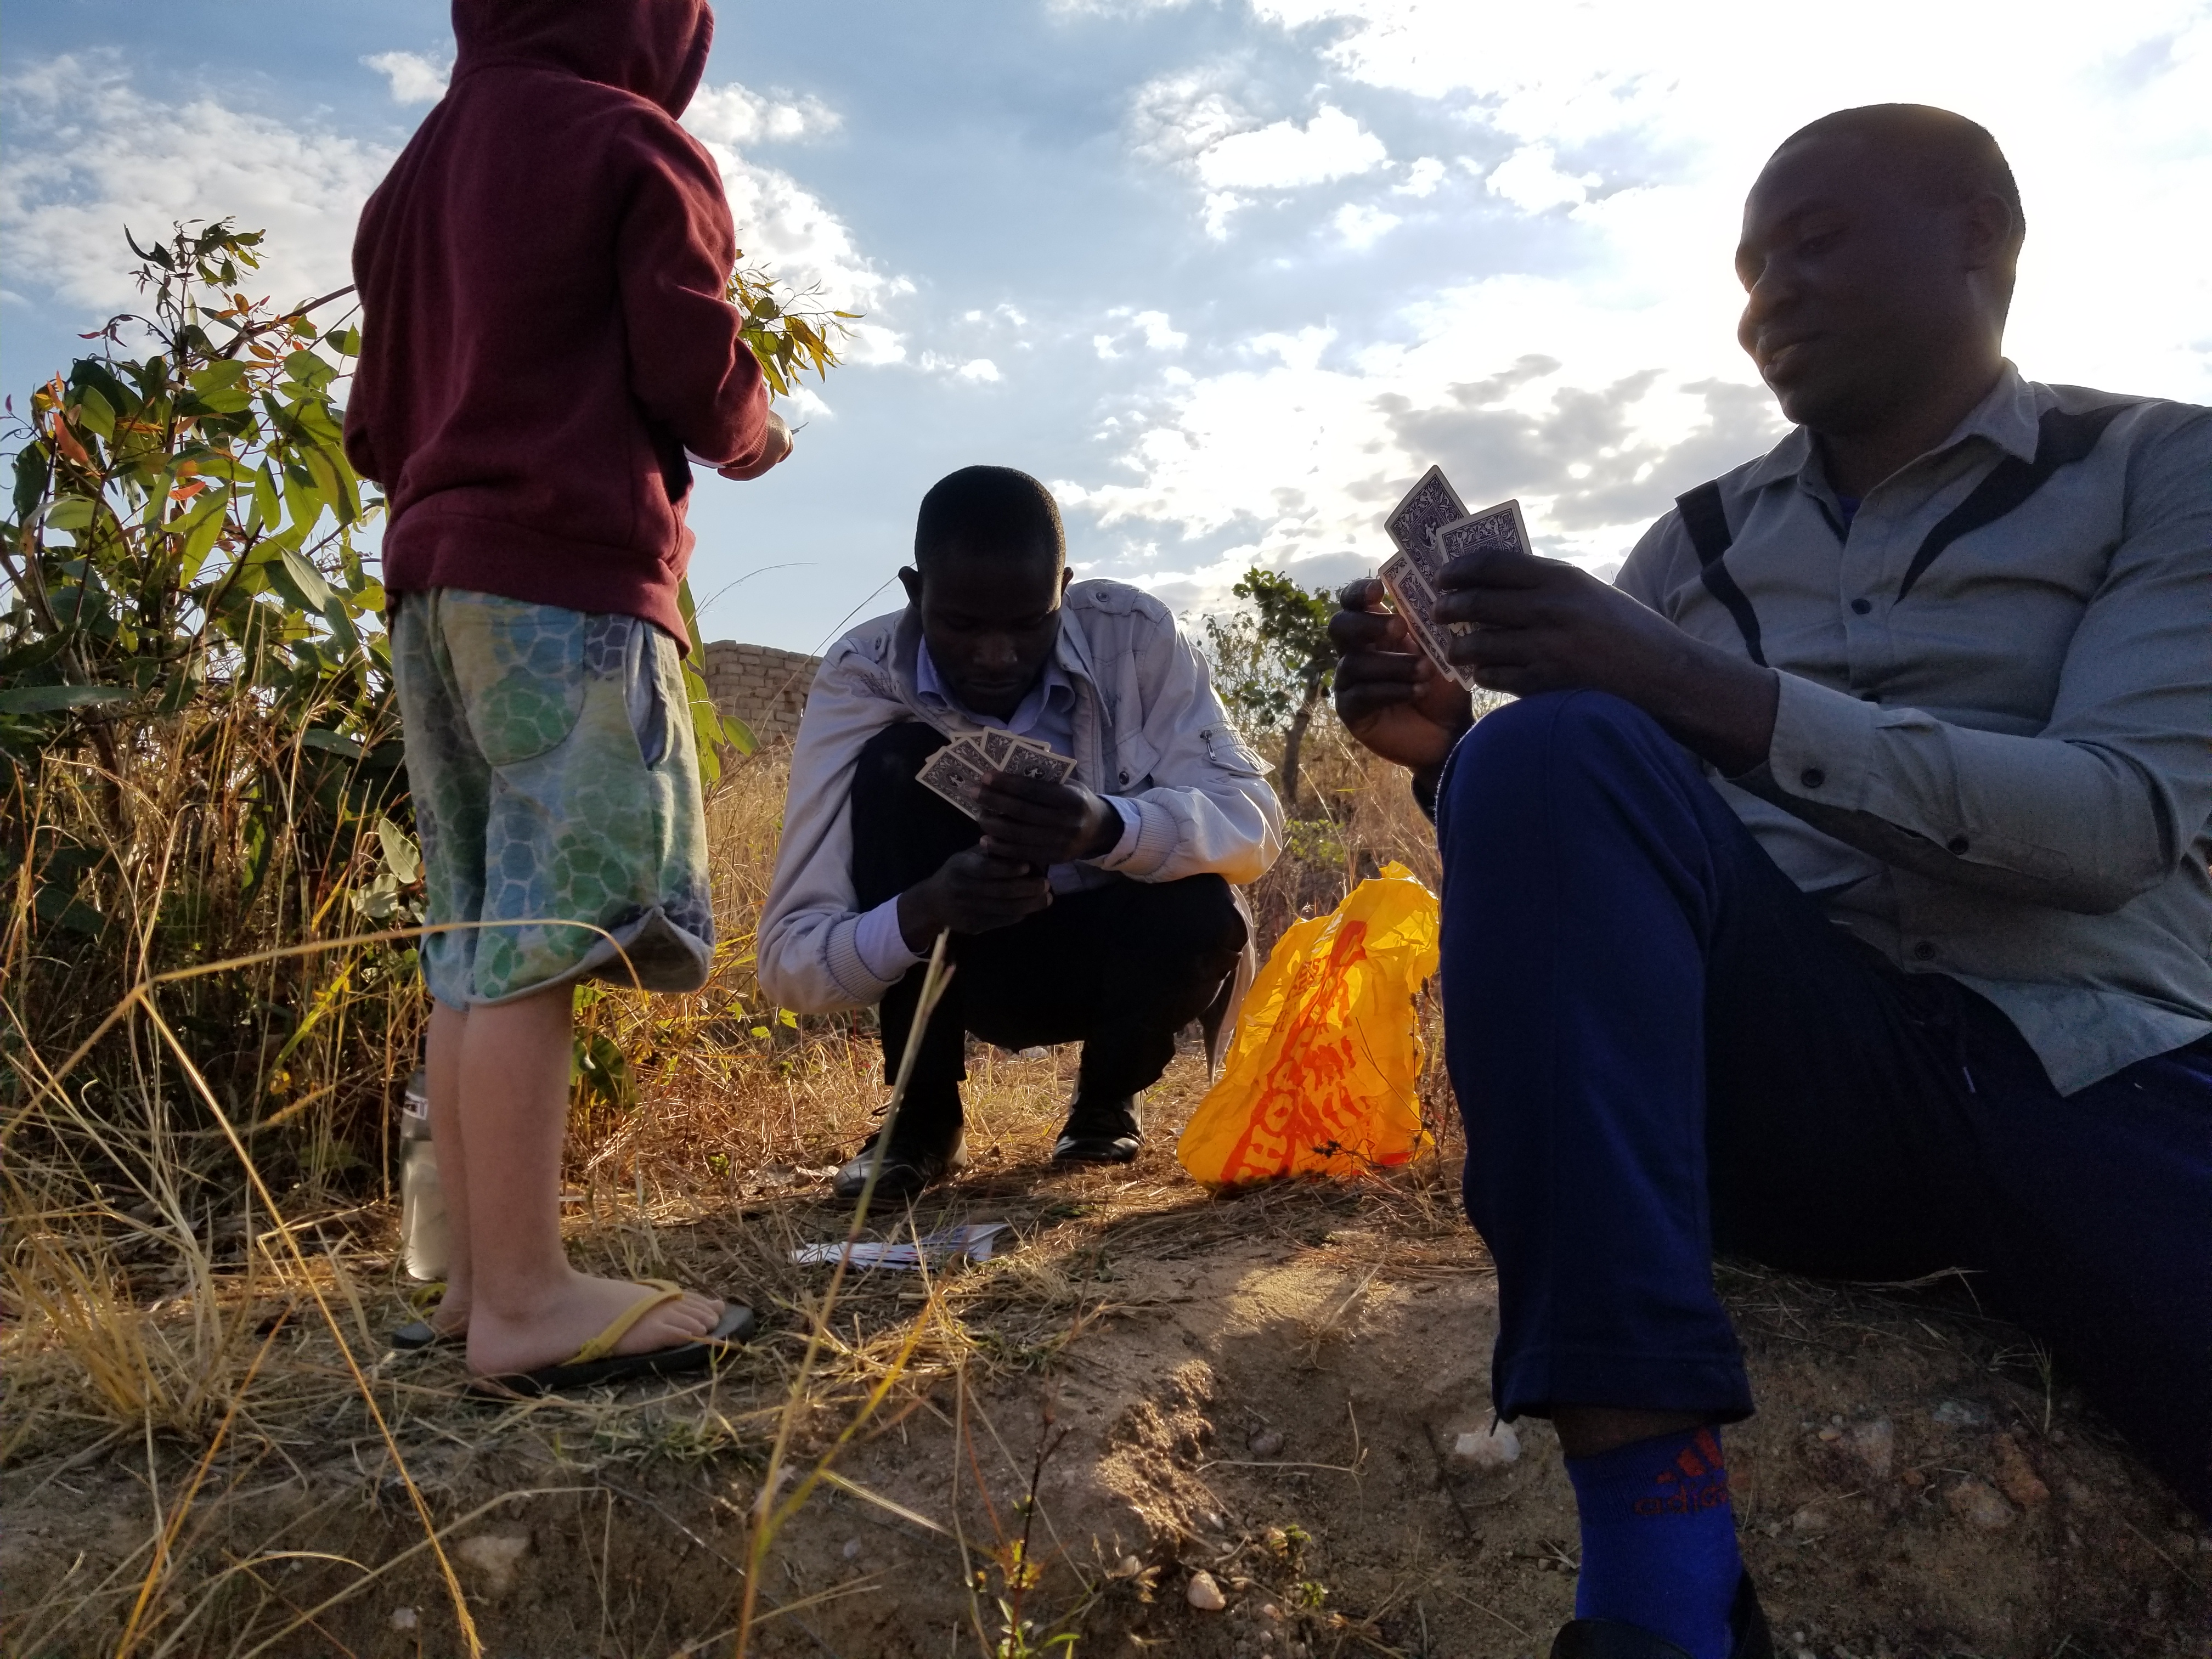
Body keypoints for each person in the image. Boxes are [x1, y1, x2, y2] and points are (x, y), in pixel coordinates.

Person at [1329, 104, 2210, 1658]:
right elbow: (1606, 859)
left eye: (1814, 244)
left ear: (1981, 240)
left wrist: (1692, 683)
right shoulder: (1695, 543)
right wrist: (1453, 752)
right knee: (1549, 750)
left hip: (2097, 1068)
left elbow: (2120, 822)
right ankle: (1662, 1589)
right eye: (1747, 271)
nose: (1768, 301)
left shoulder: (2163, 469)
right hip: (1796, 1093)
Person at [344, 0, 794, 1393]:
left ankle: (471, 1283)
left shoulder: (416, 176)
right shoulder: (631, 142)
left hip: (433, 589)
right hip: (569, 582)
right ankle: (531, 1303)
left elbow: (371, 428)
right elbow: (693, 370)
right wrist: (756, 430)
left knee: (475, 933)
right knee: (549, 935)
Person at [758, 465, 1282, 1201]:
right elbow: (790, 965)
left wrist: (1109, 827)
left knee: (1204, 908)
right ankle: (922, 1118)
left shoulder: (1134, 638)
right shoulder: (863, 678)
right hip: (967, 968)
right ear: (915, 593)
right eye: (963, 626)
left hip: (1117, 959)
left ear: (1063, 590)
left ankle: (1107, 1100)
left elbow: (1255, 825)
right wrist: (926, 910)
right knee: (896, 761)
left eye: (1031, 623)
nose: (998, 656)